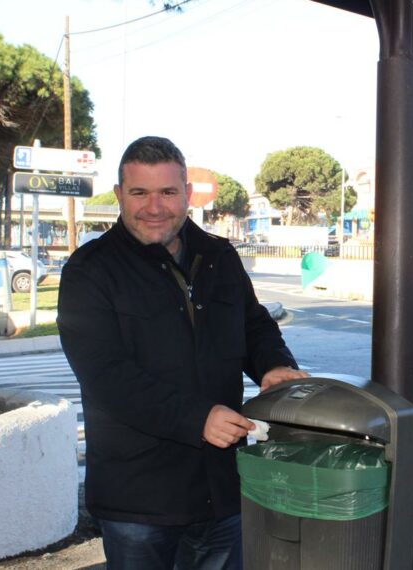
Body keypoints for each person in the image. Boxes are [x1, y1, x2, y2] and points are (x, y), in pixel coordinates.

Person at [57, 136, 309, 569]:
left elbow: (252, 322)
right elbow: (105, 375)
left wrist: (274, 365)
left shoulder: (218, 255)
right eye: (139, 193)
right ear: (119, 195)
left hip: (223, 490)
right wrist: (197, 419)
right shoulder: (89, 270)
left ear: (187, 195)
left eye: (168, 192)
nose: (154, 207)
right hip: (139, 501)